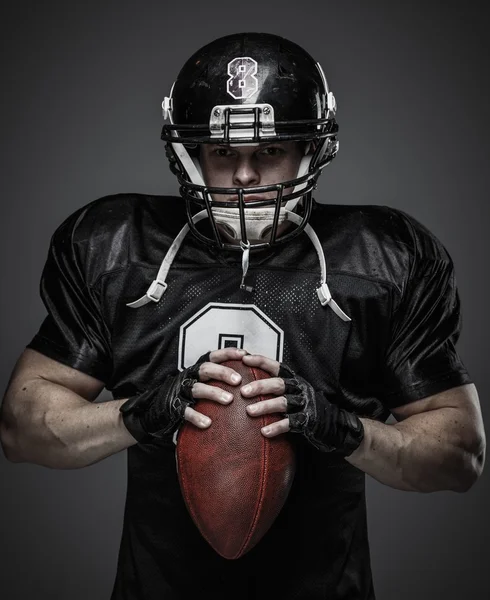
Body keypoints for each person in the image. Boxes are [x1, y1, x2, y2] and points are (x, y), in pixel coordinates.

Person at [0, 32, 485, 600]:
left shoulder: (382, 258)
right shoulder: (116, 249)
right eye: (224, 153)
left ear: (312, 148)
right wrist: (137, 416)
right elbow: (20, 428)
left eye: (270, 152)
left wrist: (343, 430)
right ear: (189, 153)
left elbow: (461, 453)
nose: (247, 177)